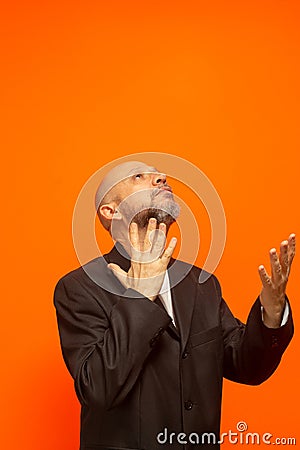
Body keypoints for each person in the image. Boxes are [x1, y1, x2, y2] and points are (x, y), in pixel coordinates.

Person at [54, 160, 295, 450]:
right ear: (111, 211)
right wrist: (141, 297)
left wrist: (272, 312)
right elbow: (98, 388)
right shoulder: (80, 287)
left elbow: (248, 367)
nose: (162, 178)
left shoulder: (201, 283)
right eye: (140, 176)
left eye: (161, 176)